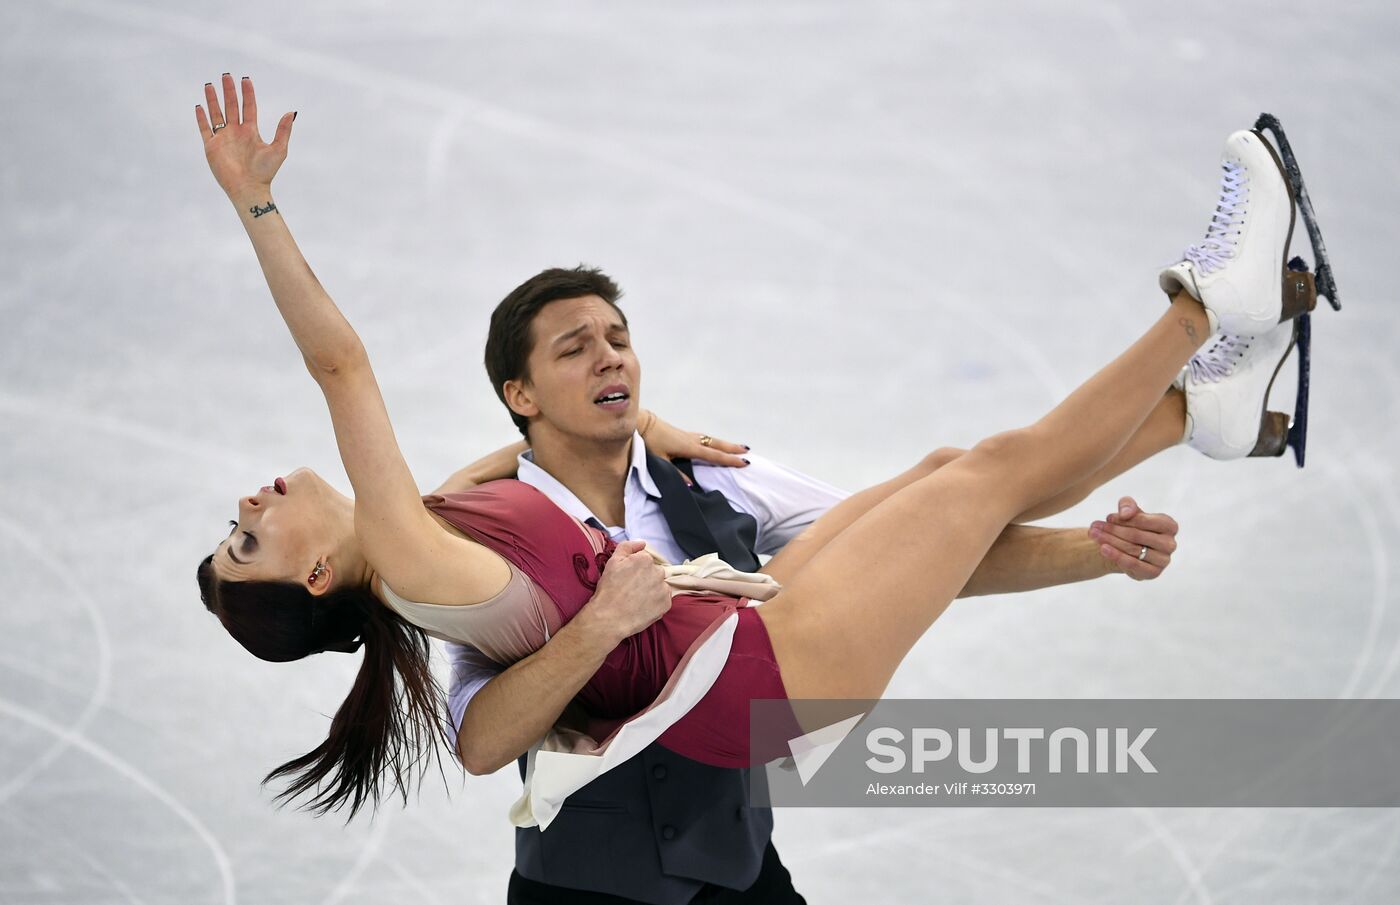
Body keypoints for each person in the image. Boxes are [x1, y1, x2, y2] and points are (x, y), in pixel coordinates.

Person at [191, 74, 1316, 891]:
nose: (248, 506)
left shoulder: (434, 524)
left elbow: (507, 457)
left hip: (742, 654)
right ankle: (1208, 303)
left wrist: (639, 421)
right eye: (248, 540)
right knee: (986, 474)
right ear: (323, 571)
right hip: (751, 680)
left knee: (945, 474)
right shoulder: (414, 551)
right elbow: (340, 362)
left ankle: (1205, 412)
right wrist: (255, 204)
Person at [425, 267, 1180, 905]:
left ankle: (1197, 405)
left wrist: (1095, 549)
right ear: (520, 393)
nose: (610, 359)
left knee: (959, 477)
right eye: (575, 349)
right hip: (585, 890)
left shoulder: (720, 481)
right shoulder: (498, 535)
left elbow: (926, 554)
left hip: (739, 870)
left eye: (619, 340)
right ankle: (1194, 394)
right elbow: (480, 733)